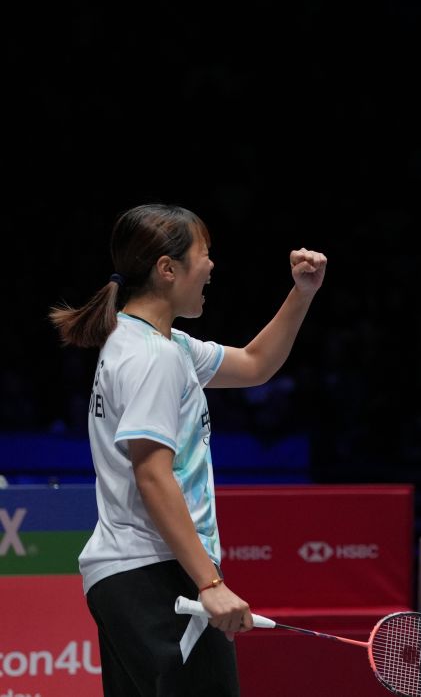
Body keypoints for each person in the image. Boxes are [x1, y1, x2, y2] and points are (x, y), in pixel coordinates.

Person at [48, 203, 328, 697]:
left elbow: (255, 363)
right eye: (205, 253)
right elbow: (152, 475)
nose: (212, 266)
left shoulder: (157, 344)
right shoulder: (152, 358)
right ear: (167, 268)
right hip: (156, 577)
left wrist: (302, 293)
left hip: (135, 576)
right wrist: (210, 584)